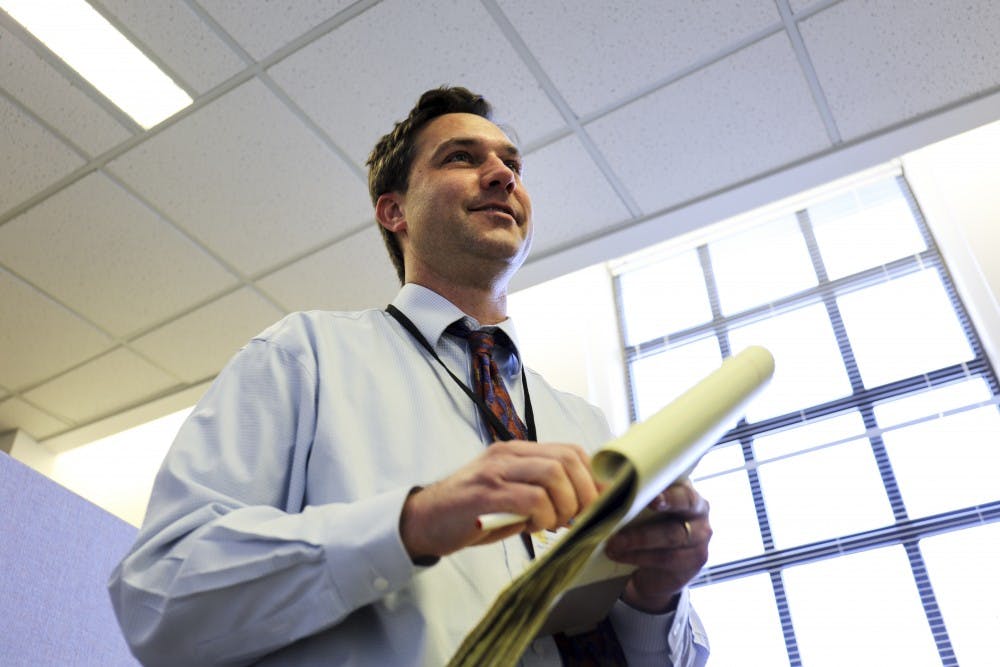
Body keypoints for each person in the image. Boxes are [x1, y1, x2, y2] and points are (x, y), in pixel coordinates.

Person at [108, 86, 711, 666]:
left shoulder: (586, 423)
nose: (504, 177)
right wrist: (411, 523)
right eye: (462, 158)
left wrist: (655, 597)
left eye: (512, 165)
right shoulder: (304, 357)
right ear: (394, 210)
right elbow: (159, 596)